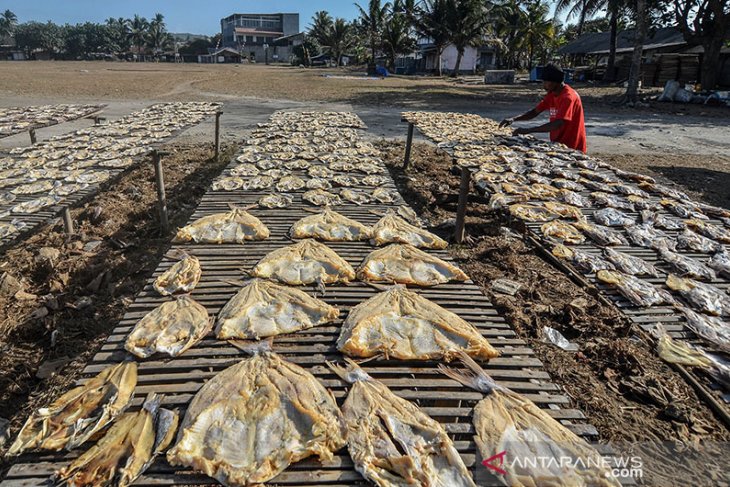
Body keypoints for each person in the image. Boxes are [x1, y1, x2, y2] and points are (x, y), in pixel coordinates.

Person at [499, 64, 587, 153]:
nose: (543, 85)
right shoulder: (552, 94)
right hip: (557, 144)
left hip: (572, 146)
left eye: (545, 82)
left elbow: (558, 123)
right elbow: (535, 112)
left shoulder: (568, 97)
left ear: (555, 82)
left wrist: (529, 130)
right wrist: (513, 119)